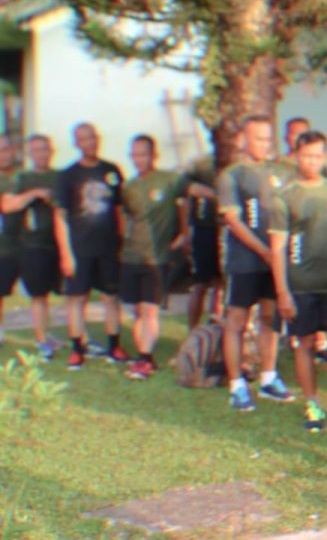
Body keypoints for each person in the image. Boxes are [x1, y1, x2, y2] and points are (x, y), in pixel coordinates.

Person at [269, 130, 327, 432]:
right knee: (305, 344)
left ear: (325, 157)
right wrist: (282, 292)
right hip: (301, 286)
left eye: (318, 156)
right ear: (296, 156)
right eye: (307, 155)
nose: (312, 161)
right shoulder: (285, 197)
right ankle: (312, 403)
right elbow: (278, 248)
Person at [217, 114, 294, 410]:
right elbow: (233, 220)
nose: (264, 144)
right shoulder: (231, 175)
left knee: (270, 317)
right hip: (244, 262)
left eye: (267, 138)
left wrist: (278, 253)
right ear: (243, 139)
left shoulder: (280, 172)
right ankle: (236, 384)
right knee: (236, 320)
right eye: (258, 138)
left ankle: (268, 377)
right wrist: (263, 250)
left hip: (272, 262)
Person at [53, 122, 127, 366]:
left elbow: (119, 210)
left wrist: (122, 241)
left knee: (110, 297)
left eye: (93, 137)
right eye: (84, 139)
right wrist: (66, 254)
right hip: (80, 248)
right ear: (76, 143)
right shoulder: (68, 175)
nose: (90, 142)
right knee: (77, 299)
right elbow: (60, 217)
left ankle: (114, 346)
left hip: (108, 247)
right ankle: (77, 349)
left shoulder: (111, 170)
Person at [117, 135, 189, 379]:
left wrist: (184, 234)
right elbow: (124, 217)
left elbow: (189, 197)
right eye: (134, 155)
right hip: (131, 256)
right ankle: (143, 356)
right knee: (137, 310)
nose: (138, 159)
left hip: (157, 258)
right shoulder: (129, 186)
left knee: (150, 310)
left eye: (143, 154)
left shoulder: (169, 180)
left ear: (153, 155)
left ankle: (146, 359)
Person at [3, 134, 61, 358]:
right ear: (29, 153)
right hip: (28, 245)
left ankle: (51, 334)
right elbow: (8, 205)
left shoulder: (59, 176)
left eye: (44, 149)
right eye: (35, 150)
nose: (41, 154)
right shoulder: (22, 178)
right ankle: (40, 340)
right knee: (35, 294)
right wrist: (35, 194)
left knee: (51, 294)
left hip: (55, 244)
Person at [182, 150, 223, 331]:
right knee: (201, 283)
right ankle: (192, 330)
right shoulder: (202, 164)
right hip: (204, 228)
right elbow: (185, 187)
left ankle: (215, 327)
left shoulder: (237, 160)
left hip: (227, 228)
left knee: (221, 284)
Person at [0, 136, 20, 346]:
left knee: (38, 293)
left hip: (23, 243)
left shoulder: (21, 177)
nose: (3, 154)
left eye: (6, 149)